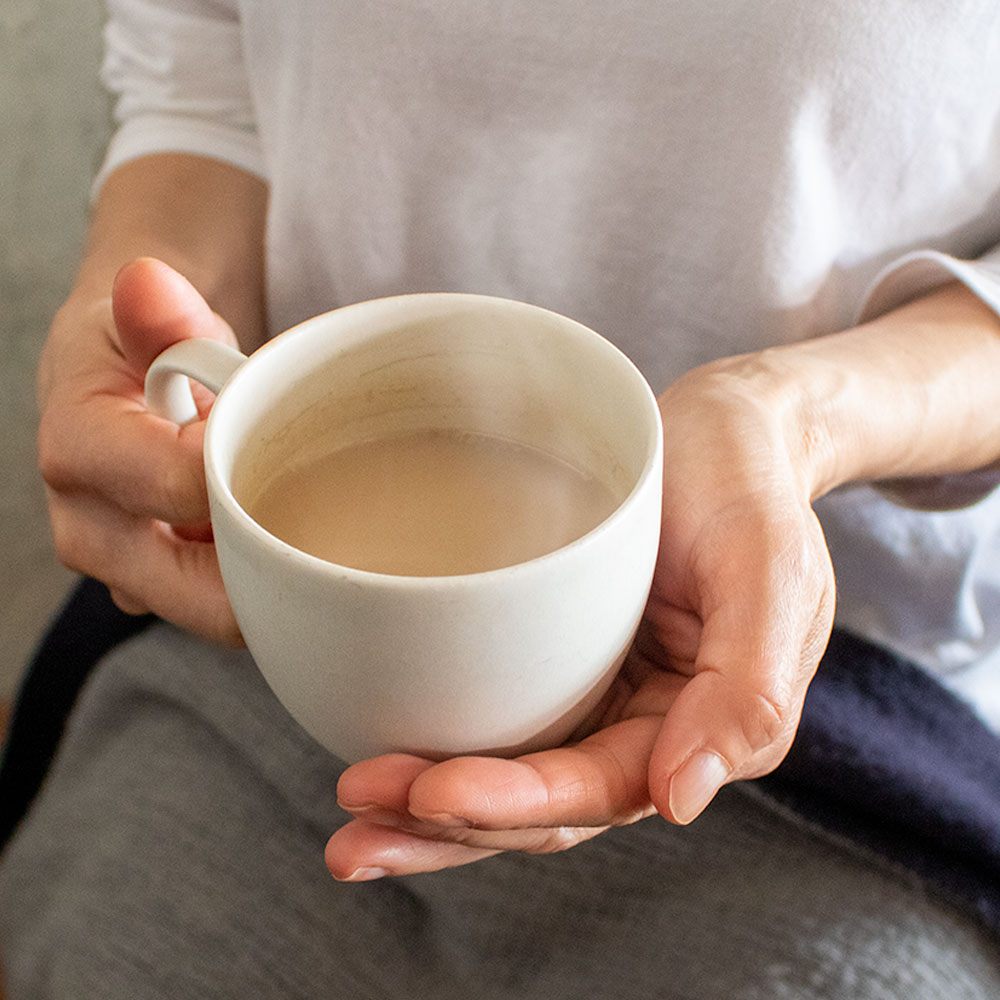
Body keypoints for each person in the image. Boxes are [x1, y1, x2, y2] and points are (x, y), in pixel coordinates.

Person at [2, 0, 1000, 995]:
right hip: (278, 649)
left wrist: (786, 419)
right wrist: (137, 337)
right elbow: (202, 73)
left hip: (832, 708)